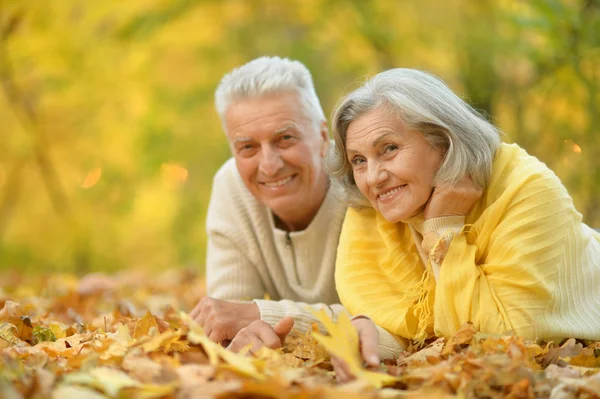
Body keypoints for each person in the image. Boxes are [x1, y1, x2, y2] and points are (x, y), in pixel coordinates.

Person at [327, 68, 600, 373]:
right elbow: (410, 333)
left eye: (389, 149)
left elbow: (503, 341)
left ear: (444, 141)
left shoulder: (528, 188)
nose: (374, 177)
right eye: (359, 161)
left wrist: (444, 229)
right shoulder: (373, 209)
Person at [190, 56, 349, 353]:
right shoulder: (231, 186)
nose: (270, 165)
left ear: (323, 137)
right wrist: (245, 334)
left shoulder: (361, 182)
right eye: (247, 147)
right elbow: (229, 319)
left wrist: (261, 315)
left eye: (285, 138)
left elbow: (391, 327)